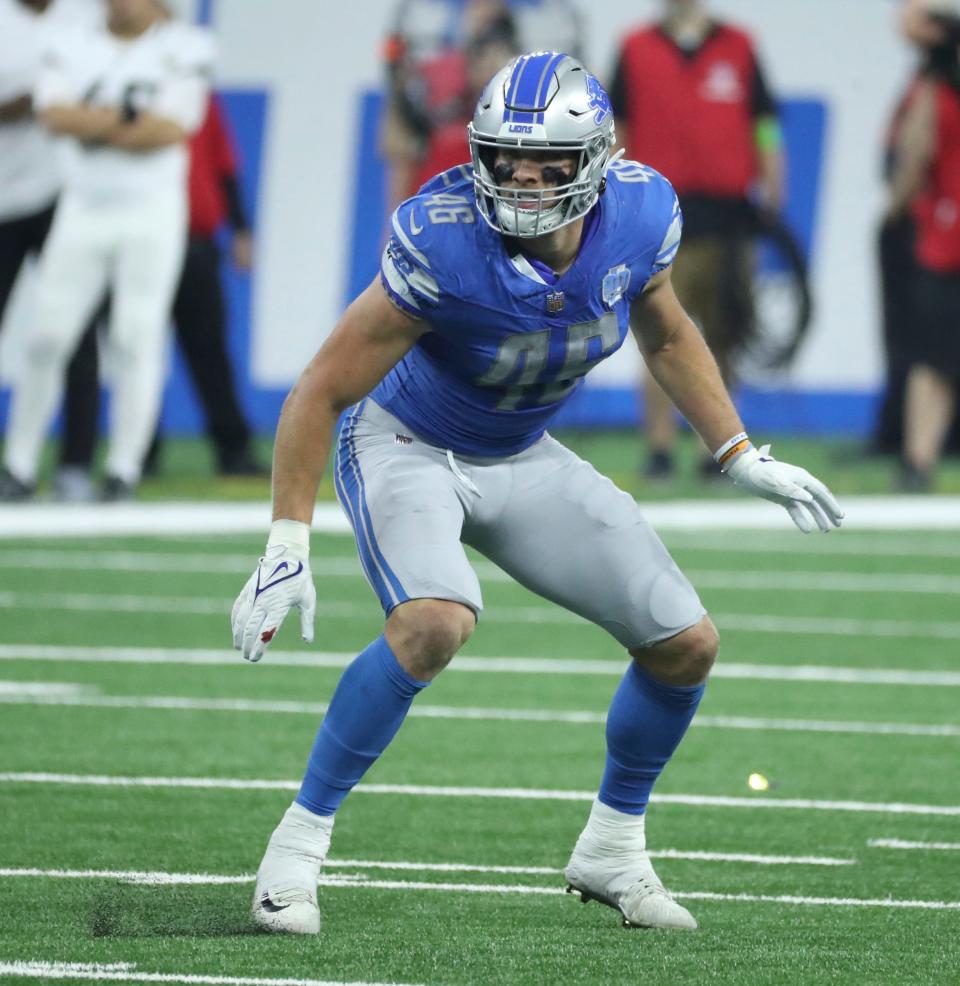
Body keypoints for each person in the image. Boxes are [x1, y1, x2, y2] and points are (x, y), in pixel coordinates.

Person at [230, 52, 842, 936]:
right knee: (434, 621)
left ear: (593, 160)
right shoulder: (440, 234)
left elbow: (666, 331)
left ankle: (612, 848)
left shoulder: (640, 213)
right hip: (410, 443)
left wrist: (736, 449)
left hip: (521, 451)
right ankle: (295, 849)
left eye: (547, 162)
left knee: (685, 644)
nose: (521, 179)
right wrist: (287, 539)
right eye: (505, 158)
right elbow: (321, 387)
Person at [0, 0, 214, 501]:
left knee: (135, 336)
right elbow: (53, 115)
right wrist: (129, 116)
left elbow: (173, 127)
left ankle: (123, 469)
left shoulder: (186, 45)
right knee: (47, 336)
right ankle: (20, 465)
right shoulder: (72, 38)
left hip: (151, 208)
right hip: (82, 204)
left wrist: (94, 120)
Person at [55, 91, 265, 491]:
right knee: (134, 345)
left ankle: (232, 448)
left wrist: (239, 226)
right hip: (136, 242)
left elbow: (224, 162)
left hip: (194, 240)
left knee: (209, 353)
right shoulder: (112, 96)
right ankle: (137, 452)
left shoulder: (195, 93)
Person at [609, 0, 784, 479]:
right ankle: (660, 447)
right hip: (657, 219)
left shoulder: (739, 46)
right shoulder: (635, 48)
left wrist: (772, 180)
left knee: (726, 335)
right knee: (657, 333)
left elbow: (763, 122)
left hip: (727, 220)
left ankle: (720, 448)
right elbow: (617, 125)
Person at [888, 0, 960, 490]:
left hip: (943, 235)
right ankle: (919, 457)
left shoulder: (935, 87)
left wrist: (895, 207)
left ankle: (919, 458)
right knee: (938, 357)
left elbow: (917, 152)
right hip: (945, 238)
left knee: (932, 357)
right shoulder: (936, 84)